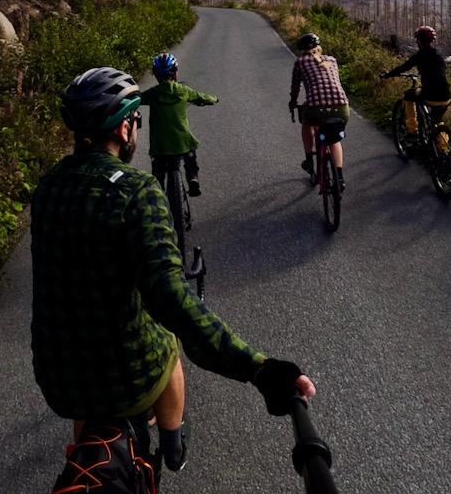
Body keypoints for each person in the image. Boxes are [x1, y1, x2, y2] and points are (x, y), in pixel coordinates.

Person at [31, 66, 315, 478]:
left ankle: (85, 452)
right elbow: (169, 298)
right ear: (125, 128)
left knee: (93, 406)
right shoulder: (136, 190)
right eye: (135, 121)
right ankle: (173, 445)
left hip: (59, 378)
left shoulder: (48, 187)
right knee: (167, 343)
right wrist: (258, 368)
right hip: (125, 378)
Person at [140, 52, 216, 198]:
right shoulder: (183, 90)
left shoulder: (152, 94)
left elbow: (137, 99)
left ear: (156, 75)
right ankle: (192, 178)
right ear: (174, 72)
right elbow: (202, 97)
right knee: (190, 152)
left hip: (160, 146)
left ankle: (158, 191)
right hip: (181, 143)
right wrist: (213, 98)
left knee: (158, 171)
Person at [289, 33, 351, 187]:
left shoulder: (300, 62)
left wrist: (293, 102)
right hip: (342, 107)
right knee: (334, 140)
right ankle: (340, 178)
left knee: (306, 123)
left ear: (302, 50)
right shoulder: (332, 60)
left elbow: (296, 86)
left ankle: (309, 160)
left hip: (315, 109)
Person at [380, 25, 451, 128]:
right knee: (436, 122)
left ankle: (412, 129)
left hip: (430, 94)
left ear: (419, 41)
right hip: (446, 95)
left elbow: (403, 67)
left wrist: (387, 75)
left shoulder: (420, 55)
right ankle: (441, 143)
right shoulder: (439, 54)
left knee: (408, 95)